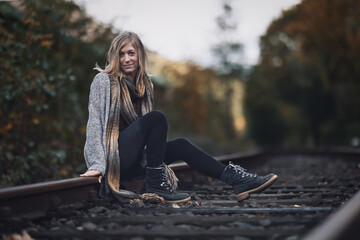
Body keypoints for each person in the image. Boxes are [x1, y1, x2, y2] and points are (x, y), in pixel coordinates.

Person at [80, 31, 278, 203]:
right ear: (115, 57)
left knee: (181, 145)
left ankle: (237, 181)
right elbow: (95, 123)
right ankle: (156, 185)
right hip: (113, 159)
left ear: (140, 55)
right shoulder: (104, 81)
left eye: (131, 53)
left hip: (135, 161)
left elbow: (146, 137)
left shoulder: (144, 86)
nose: (126, 59)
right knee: (156, 119)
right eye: (121, 54)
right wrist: (97, 165)